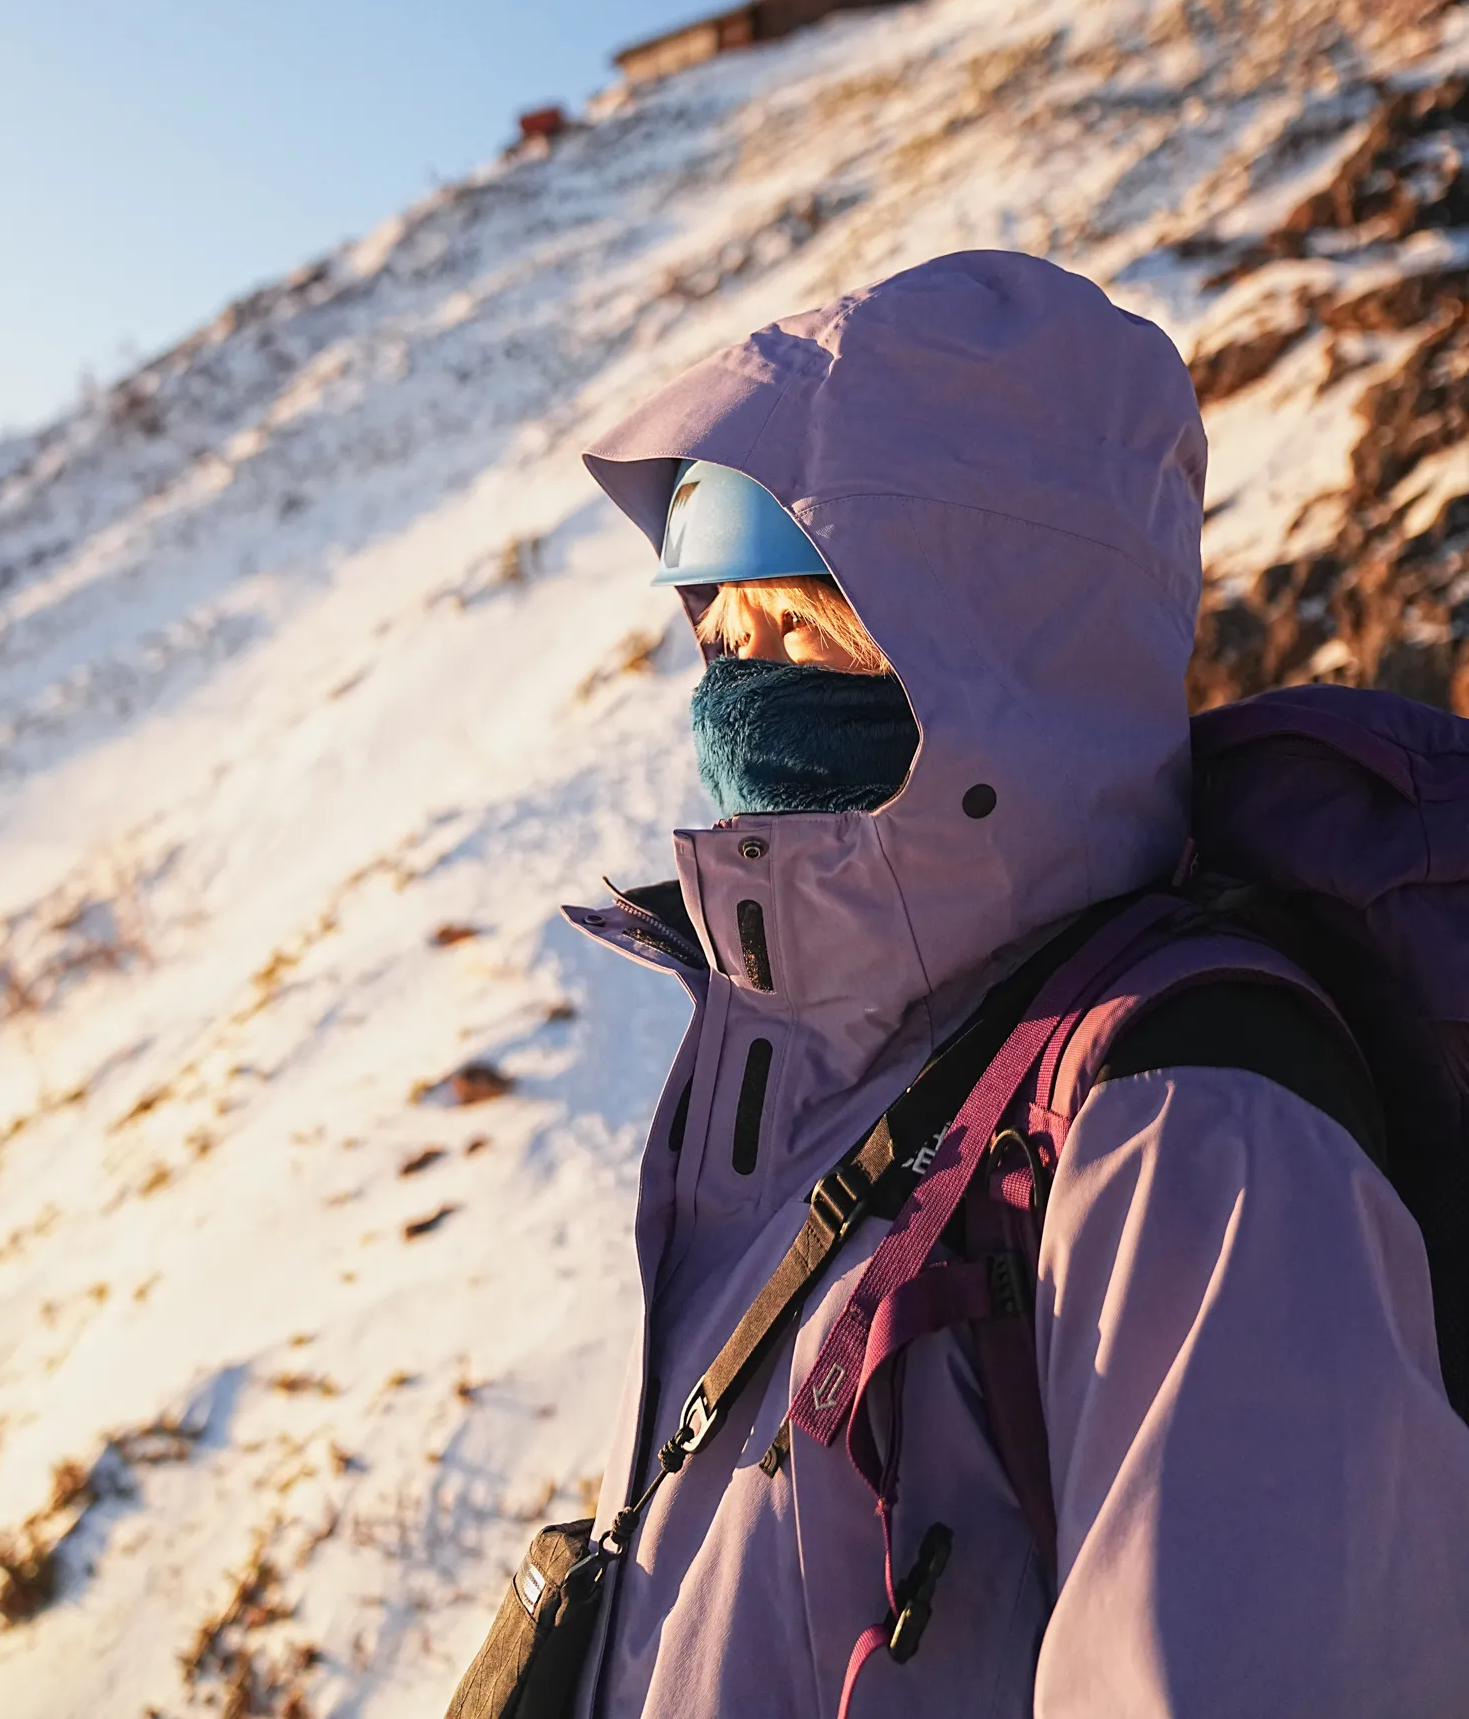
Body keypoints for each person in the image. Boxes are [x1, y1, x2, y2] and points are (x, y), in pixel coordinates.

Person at [563, 250, 1469, 1718]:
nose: (739, 693)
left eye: (797, 626)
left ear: (990, 640)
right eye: (719, 636)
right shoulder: (811, 1063)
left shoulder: (1193, 1125)